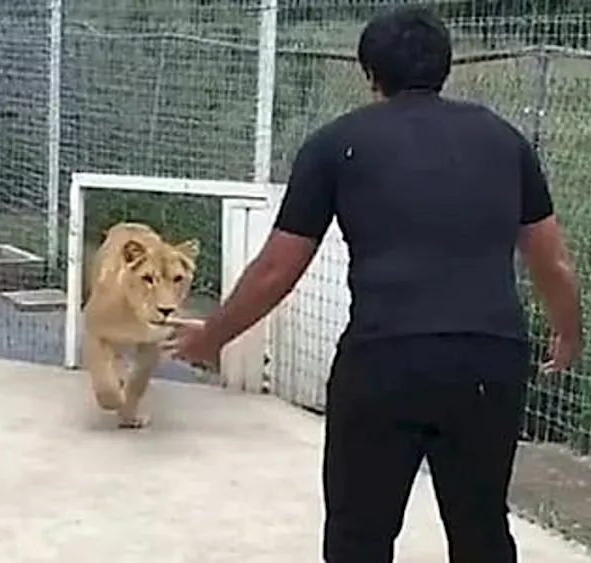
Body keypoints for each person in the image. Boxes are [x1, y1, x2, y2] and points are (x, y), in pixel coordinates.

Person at [166, 5, 583, 563]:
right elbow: (552, 261)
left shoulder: (335, 144)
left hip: (384, 360)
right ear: (446, 68)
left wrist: (211, 337)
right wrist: (568, 331)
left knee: (359, 535)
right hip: (488, 360)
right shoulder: (505, 141)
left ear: (370, 75)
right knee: (481, 527)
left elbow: (276, 270)